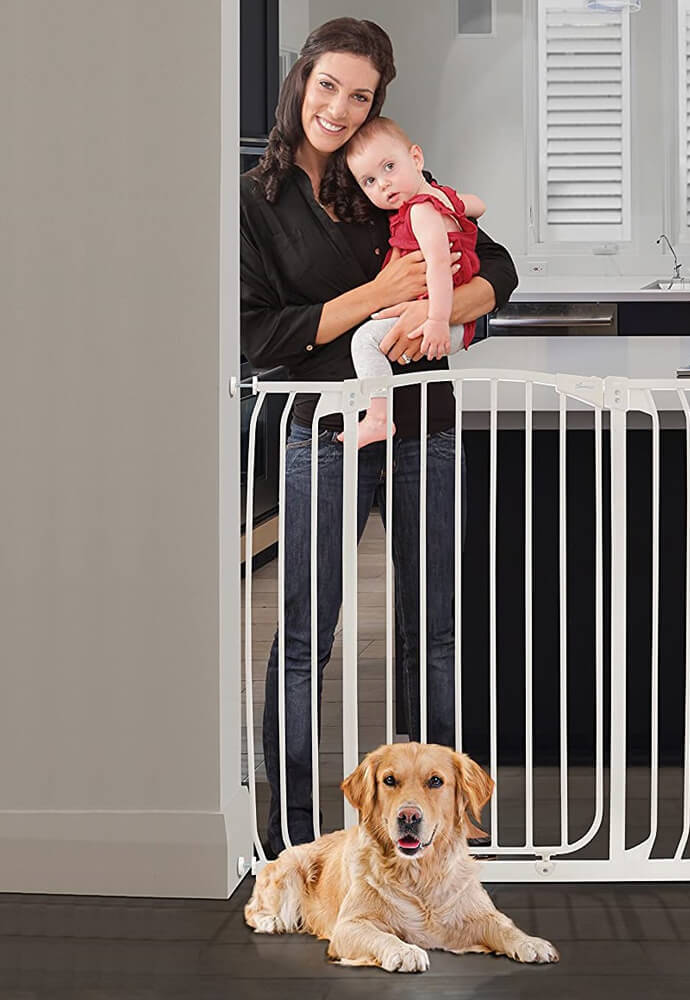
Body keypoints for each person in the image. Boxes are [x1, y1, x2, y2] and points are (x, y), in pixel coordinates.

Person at [239, 17, 517, 857]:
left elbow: (498, 271)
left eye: (360, 95)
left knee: (432, 635)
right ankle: (294, 840)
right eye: (328, 86)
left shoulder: (386, 174)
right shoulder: (256, 202)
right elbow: (259, 337)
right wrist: (383, 293)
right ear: (301, 80)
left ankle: (434, 838)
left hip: (425, 424)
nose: (340, 108)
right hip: (323, 434)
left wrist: (435, 312)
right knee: (304, 638)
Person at [336, 116, 486, 448]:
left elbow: (439, 267)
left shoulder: (420, 212)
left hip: (441, 322)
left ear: (416, 158)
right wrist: (454, 206)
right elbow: (479, 205)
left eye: (389, 167)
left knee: (364, 342)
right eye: (369, 181)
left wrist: (437, 320)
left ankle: (378, 417)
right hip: (453, 322)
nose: (383, 185)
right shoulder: (442, 199)